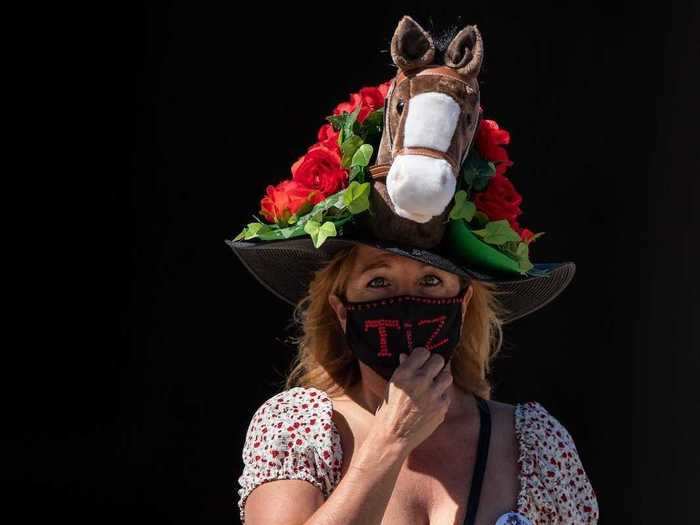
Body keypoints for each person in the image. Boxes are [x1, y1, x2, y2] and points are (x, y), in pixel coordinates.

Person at [227, 15, 599, 525]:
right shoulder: (297, 430)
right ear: (340, 308)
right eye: (378, 281)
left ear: (463, 301)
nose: (407, 299)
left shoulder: (533, 445)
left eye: (431, 282)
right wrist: (390, 440)